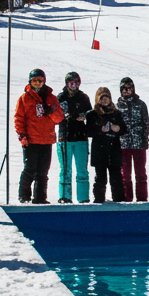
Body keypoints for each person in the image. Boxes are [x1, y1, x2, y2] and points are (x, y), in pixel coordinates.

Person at [14, 68, 64, 204]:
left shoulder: (51, 98)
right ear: (30, 82)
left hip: (46, 140)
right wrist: (22, 135)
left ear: (44, 81)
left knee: (43, 172)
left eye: (40, 80)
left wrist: (51, 111)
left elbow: (59, 118)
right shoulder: (24, 98)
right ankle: (24, 196)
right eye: (35, 81)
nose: (37, 83)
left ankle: (40, 198)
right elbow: (19, 118)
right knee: (29, 169)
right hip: (31, 140)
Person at [85, 87, 127, 203]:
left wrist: (117, 128)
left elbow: (124, 129)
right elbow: (88, 131)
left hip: (114, 150)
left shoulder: (116, 113)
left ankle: (119, 200)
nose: (104, 101)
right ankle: (99, 200)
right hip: (100, 151)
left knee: (116, 177)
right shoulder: (93, 114)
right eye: (102, 98)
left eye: (106, 98)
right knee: (100, 178)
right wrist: (100, 130)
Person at [56, 71, 91, 203]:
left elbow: (91, 113)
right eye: (70, 82)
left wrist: (84, 115)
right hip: (65, 137)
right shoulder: (60, 97)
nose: (73, 84)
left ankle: (83, 198)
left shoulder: (83, 97)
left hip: (81, 137)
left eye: (75, 82)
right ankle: (65, 197)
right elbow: (55, 115)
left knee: (82, 170)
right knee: (65, 170)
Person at [116, 76, 149, 202]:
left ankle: (142, 198)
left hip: (139, 144)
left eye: (129, 88)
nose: (126, 90)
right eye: (124, 88)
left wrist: (144, 141)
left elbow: (146, 123)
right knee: (125, 175)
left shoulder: (140, 104)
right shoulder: (117, 105)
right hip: (123, 145)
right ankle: (127, 198)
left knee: (140, 174)